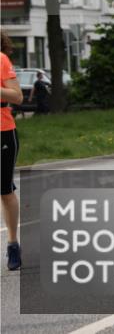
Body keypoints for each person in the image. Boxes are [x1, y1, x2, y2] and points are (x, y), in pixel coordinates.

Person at [1, 31, 23, 271]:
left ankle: (12, 243)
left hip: (2, 131)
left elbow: (17, 96)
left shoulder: (1, 60)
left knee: (5, 192)